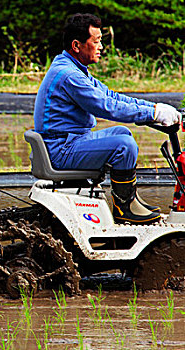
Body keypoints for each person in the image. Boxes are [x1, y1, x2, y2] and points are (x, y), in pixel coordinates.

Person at [33, 13, 181, 225]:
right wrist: (153, 114)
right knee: (123, 145)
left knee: (122, 133)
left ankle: (129, 200)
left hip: (68, 142)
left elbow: (111, 96)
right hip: (62, 150)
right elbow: (107, 107)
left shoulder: (72, 68)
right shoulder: (70, 75)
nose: (101, 46)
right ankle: (125, 208)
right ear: (77, 45)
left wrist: (155, 108)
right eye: (96, 41)